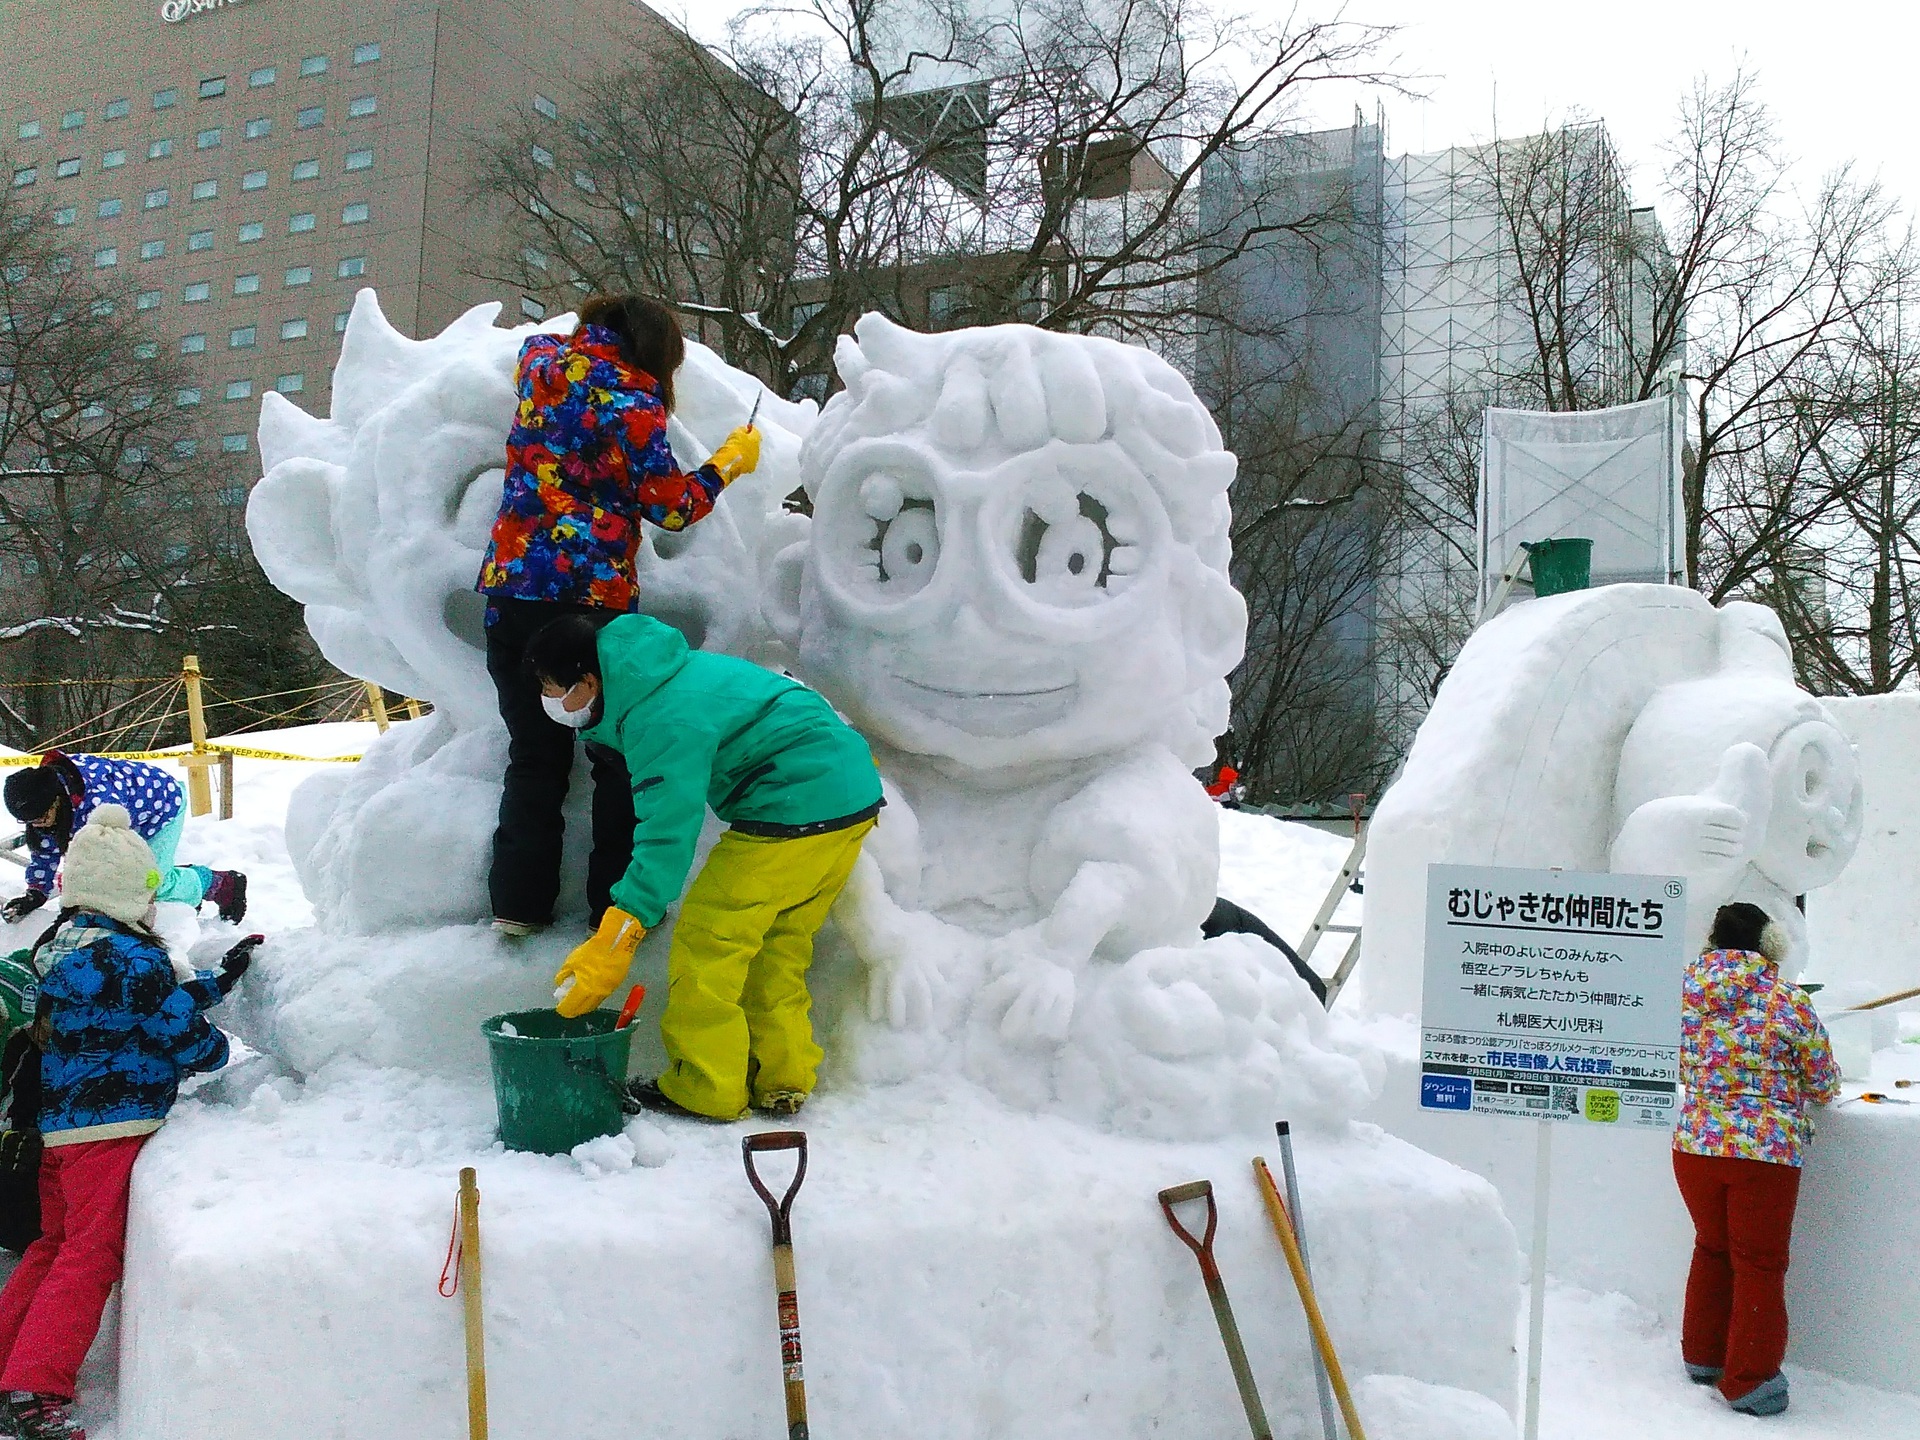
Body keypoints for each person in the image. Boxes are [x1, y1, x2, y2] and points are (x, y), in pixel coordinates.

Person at [475, 294, 763, 938]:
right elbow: (673, 508)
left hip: (514, 590)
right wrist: (726, 465)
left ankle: (517, 907)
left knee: (533, 756)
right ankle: (616, 908)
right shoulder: (636, 404)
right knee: (613, 757)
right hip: (592, 607)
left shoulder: (537, 363)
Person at [526, 612, 882, 1121]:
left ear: (587, 681)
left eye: (552, 688)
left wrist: (621, 930)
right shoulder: (663, 673)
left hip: (791, 804)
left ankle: (707, 1085)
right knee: (777, 946)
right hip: (848, 798)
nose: (550, 702)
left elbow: (667, 833)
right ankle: (783, 1078)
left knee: (707, 945)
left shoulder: (659, 714)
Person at [0, 805, 253, 1440]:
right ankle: (37, 1387)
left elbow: (135, 1007)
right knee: (89, 1254)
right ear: (128, 894)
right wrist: (219, 1050)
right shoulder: (132, 960)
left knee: (52, 1246)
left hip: (62, 1127)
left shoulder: (63, 950)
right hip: (109, 1129)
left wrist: (219, 981)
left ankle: (8, 1360)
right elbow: (177, 1032)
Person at [1671, 901, 1840, 1418]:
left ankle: (1702, 1357)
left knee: (1712, 1248)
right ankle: (1749, 1380)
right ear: (1770, 944)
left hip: (1694, 1146)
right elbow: (1823, 1082)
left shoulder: (1683, 992)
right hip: (1762, 1153)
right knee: (1759, 1264)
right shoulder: (1786, 1000)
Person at [2, 752, 246, 927]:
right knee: (127, 879)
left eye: (42, 816)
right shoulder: (52, 802)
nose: (38, 825)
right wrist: (36, 892)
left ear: (56, 800)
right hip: (127, 813)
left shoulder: (99, 801)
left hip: (162, 807)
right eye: (29, 822)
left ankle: (222, 884)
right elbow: (46, 848)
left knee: (148, 884)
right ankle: (179, 884)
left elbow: (114, 858)